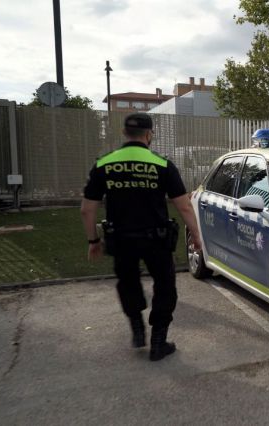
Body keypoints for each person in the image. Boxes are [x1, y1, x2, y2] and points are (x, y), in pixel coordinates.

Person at [80, 113, 202, 361]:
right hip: (156, 240)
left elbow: (87, 209)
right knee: (165, 286)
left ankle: (137, 328)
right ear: (149, 135)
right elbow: (184, 206)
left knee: (127, 282)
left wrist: (93, 241)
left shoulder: (104, 164)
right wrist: (197, 236)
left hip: (121, 239)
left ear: (125, 134)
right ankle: (159, 341)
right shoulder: (162, 164)